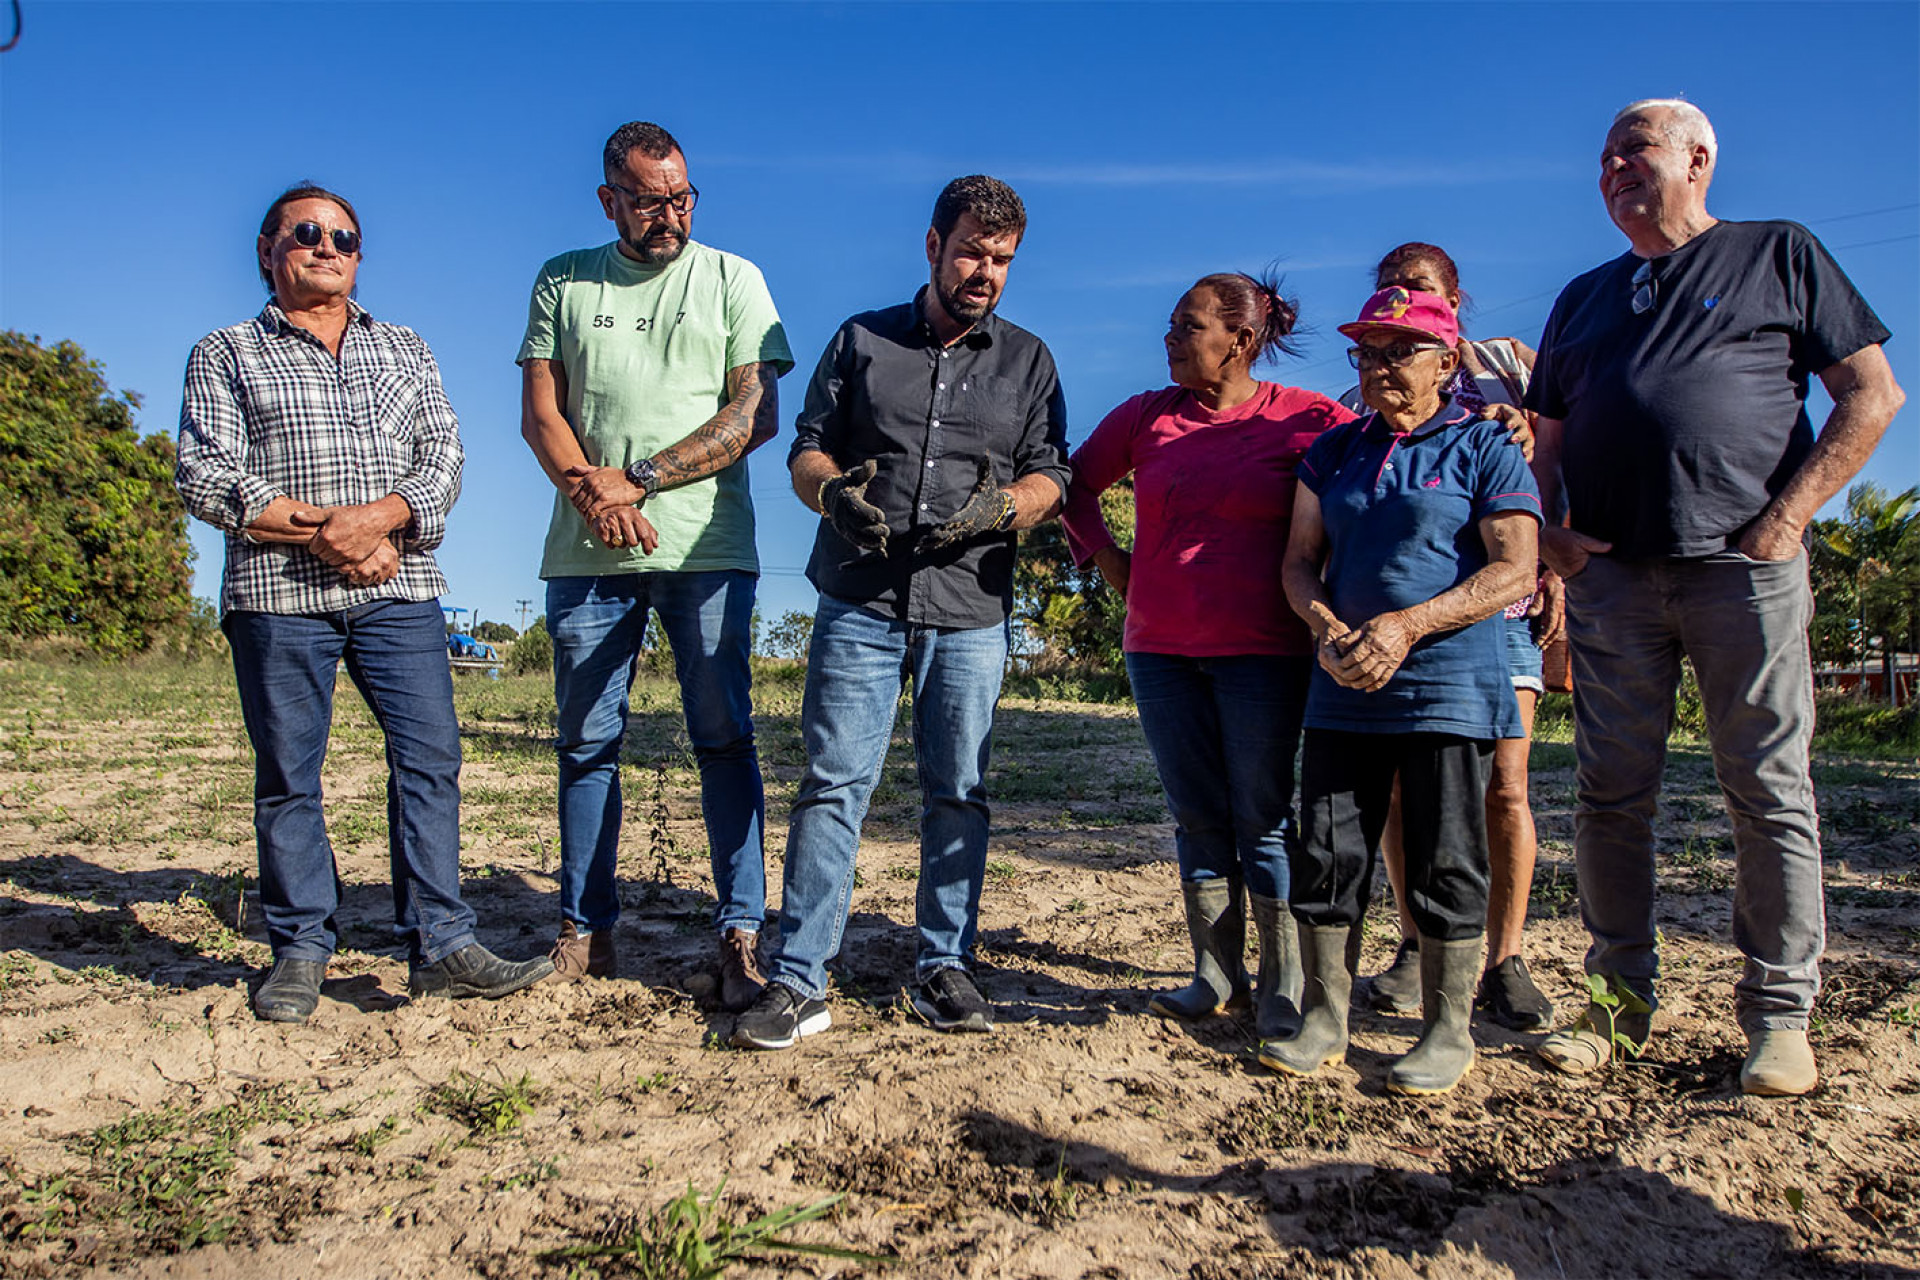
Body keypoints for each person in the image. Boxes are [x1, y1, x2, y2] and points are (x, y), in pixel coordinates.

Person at [1527, 99, 1904, 1096]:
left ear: (1699, 159)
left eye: (1633, 149)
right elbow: (1546, 445)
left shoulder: (1778, 253)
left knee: (1767, 787)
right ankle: (1617, 1001)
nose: (1612, 166)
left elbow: (1872, 394)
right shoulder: (1583, 297)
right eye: (1604, 155)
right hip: (1612, 579)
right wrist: (1552, 536)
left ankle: (1780, 1012)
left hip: (1743, 572)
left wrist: (1788, 520)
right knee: (1610, 795)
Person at [177, 184, 553, 1023]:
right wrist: (327, 534)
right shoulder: (226, 352)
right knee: (288, 777)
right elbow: (207, 476)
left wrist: (382, 522)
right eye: (305, 233)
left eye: (344, 237)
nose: (327, 247)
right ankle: (302, 949)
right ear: (267, 251)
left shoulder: (405, 347)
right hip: (277, 595)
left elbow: (443, 454)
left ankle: (441, 945)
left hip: (399, 588)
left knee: (430, 758)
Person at [731, 176, 1071, 1050]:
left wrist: (1001, 510)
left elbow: (1052, 476)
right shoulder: (861, 338)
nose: (984, 272)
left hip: (970, 609)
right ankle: (802, 979)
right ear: (932, 245)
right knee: (833, 786)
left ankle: (942, 966)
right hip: (861, 598)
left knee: (958, 790)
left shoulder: (1029, 361)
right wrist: (831, 496)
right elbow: (807, 447)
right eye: (970, 252)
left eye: (1001, 260)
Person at [518, 121, 794, 1009]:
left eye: (681, 197)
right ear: (610, 201)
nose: (667, 215)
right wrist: (594, 500)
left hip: (708, 551)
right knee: (587, 743)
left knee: (724, 739)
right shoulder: (563, 277)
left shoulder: (733, 278)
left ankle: (741, 934)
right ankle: (584, 930)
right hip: (585, 555)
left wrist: (634, 481)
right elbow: (541, 415)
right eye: (647, 200)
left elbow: (757, 414)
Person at [1059, 272, 1351, 1039]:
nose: (1170, 338)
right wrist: (1107, 558)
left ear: (1241, 342)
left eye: (1188, 327)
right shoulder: (1145, 417)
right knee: (1195, 815)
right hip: (1158, 651)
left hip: (1264, 652)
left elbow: (1386, 457)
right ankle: (1214, 973)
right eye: (1174, 323)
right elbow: (1073, 487)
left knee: (1261, 814)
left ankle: (1282, 982)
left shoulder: (1309, 419)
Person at [1266, 286, 1541, 1096]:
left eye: (1399, 351)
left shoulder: (1484, 447)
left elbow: (1513, 567)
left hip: (1447, 689)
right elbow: (1297, 561)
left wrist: (1407, 626)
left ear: (1447, 362)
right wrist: (1326, 629)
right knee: (1326, 848)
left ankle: (1446, 1028)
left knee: (1445, 856)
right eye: (1367, 352)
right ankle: (1325, 1018)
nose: (1378, 366)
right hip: (1344, 684)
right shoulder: (1336, 451)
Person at [1337, 244, 1560, 1033]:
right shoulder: (1365, 390)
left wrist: (1554, 561)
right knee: (1404, 787)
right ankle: (1414, 940)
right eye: (1387, 293)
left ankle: (1503, 958)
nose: (1401, 304)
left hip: (1498, 608)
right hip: (1401, 627)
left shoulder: (1512, 366)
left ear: (1454, 302)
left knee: (1503, 783)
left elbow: (1560, 453)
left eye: (1419, 292)